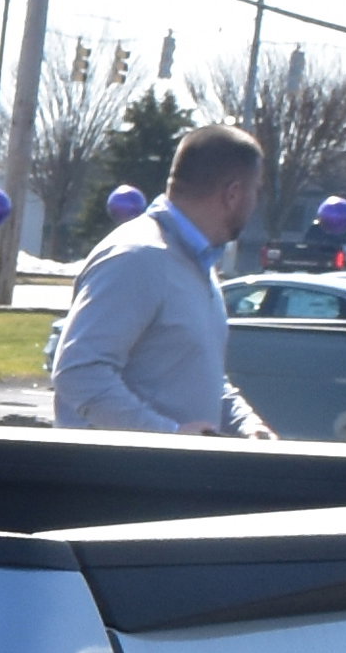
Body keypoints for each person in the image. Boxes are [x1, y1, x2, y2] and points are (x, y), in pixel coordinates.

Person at [49, 122, 273, 437]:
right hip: (116, 480)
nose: (256, 203)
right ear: (233, 193)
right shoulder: (138, 257)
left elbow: (198, 375)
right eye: (256, 190)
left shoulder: (198, 262)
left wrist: (247, 426)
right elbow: (79, 373)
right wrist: (169, 435)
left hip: (170, 477)